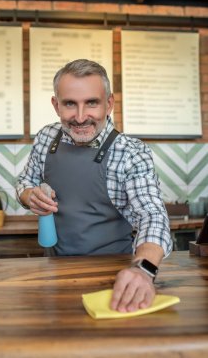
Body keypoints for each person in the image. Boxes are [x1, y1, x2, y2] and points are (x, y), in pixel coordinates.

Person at [16, 58, 172, 313]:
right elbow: (25, 181)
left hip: (116, 275)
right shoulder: (46, 138)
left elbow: (152, 216)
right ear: (56, 105)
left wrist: (143, 269)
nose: (80, 117)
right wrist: (27, 195)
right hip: (54, 269)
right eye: (69, 104)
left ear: (109, 103)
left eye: (91, 103)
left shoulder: (131, 152)